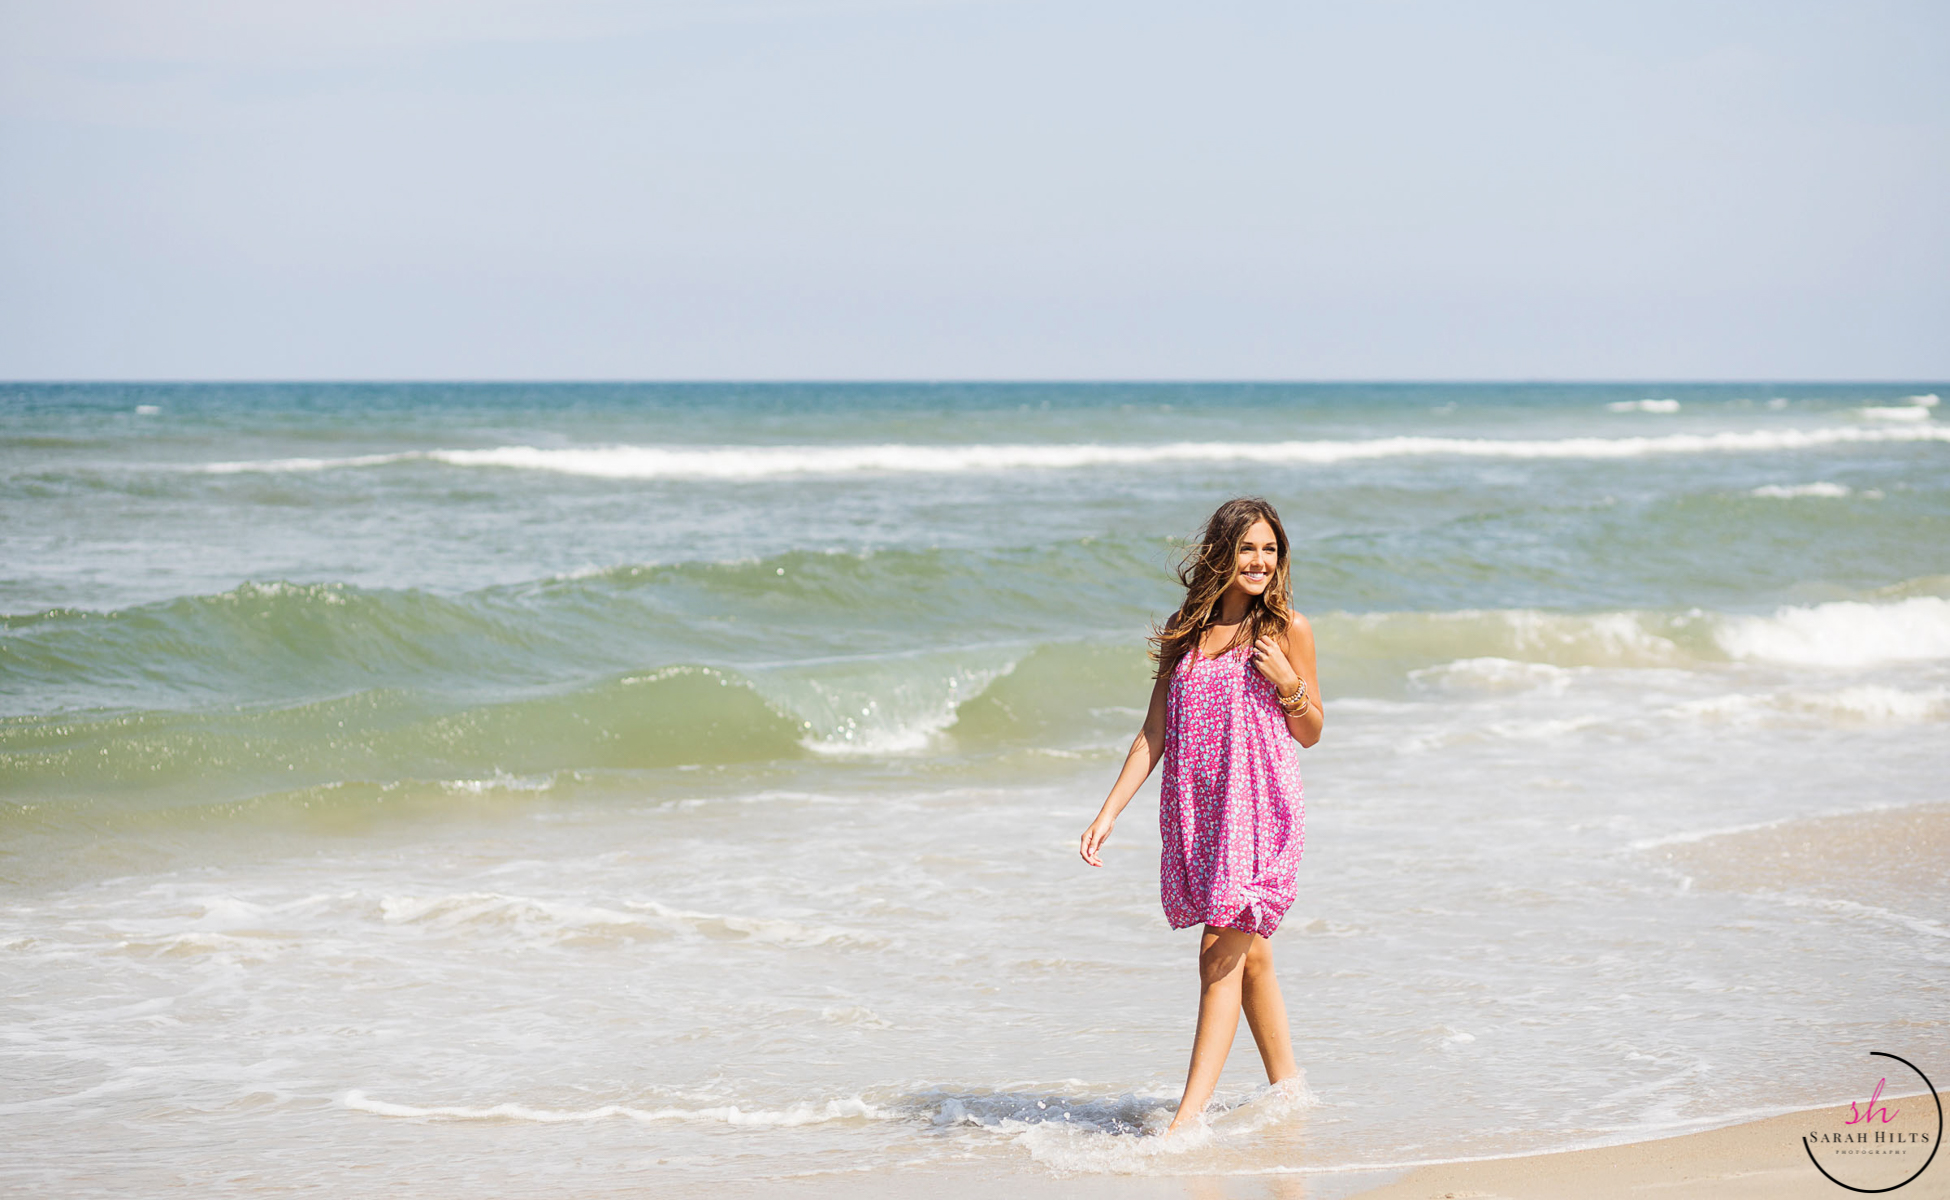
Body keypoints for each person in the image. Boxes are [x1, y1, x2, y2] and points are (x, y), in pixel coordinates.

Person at [1079, 496, 1322, 1137]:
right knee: (1252, 957)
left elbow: (1312, 730)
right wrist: (1108, 813)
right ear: (1223, 553)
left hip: (1262, 807)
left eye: (1270, 549)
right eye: (1248, 548)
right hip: (1201, 811)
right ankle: (1290, 1090)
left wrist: (1287, 683)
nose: (1260, 561)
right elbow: (1153, 731)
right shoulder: (1185, 628)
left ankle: (1186, 1123)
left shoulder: (1287, 631)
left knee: (1219, 955)